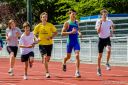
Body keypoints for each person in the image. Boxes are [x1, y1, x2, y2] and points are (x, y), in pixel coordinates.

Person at [33, 12, 58, 78]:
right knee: (45, 57)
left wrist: (50, 37)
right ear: (41, 18)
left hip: (49, 44)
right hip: (41, 44)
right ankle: (47, 72)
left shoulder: (50, 25)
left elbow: (56, 32)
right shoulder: (38, 26)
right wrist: (36, 38)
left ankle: (44, 60)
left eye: (46, 17)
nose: (45, 18)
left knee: (48, 59)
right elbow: (34, 34)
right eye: (43, 17)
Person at [61, 9, 82, 78]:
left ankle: (77, 71)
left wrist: (79, 33)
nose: (74, 15)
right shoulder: (67, 23)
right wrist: (70, 32)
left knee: (77, 55)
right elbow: (62, 33)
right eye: (72, 14)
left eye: (75, 14)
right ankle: (64, 61)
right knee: (68, 57)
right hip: (70, 42)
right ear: (69, 14)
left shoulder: (77, 22)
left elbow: (78, 30)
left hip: (76, 41)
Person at [95, 9, 114, 76]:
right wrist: (100, 23)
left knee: (108, 50)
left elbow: (112, 26)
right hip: (101, 39)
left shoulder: (109, 21)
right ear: (101, 15)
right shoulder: (98, 21)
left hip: (107, 38)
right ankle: (98, 68)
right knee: (99, 56)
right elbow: (98, 32)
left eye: (106, 14)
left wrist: (112, 31)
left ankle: (107, 63)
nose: (105, 15)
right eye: (104, 14)